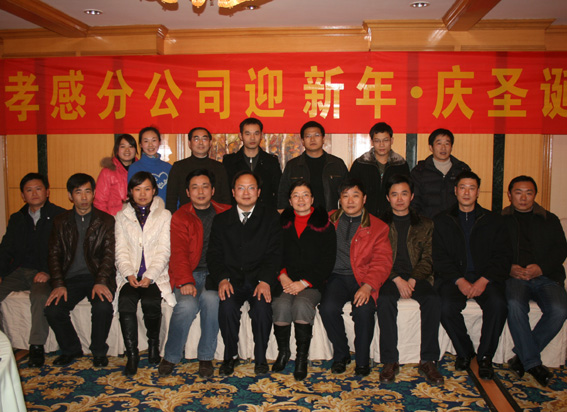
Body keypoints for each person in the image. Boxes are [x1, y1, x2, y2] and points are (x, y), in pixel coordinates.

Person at [433, 171, 510, 379]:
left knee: (498, 304)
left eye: (472, 188)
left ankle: (485, 357)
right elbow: (438, 257)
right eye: (462, 188)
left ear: (478, 192)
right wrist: (459, 281)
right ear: (455, 191)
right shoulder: (442, 220)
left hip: (486, 278)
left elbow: (503, 256)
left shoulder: (494, 221)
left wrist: (484, 280)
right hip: (454, 278)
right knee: (445, 306)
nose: (466, 193)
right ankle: (465, 351)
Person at [207, 170, 283, 376]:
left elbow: (276, 253)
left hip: (259, 279)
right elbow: (213, 255)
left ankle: (260, 357)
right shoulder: (221, 220)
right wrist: (222, 279)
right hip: (232, 279)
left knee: (262, 308)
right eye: (241, 188)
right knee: (227, 307)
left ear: (258, 192)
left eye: (251, 188)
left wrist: (266, 280)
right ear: (233, 192)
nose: (246, 193)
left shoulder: (271, 218)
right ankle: (230, 355)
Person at [159, 169, 231, 378]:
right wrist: (185, 281)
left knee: (211, 300)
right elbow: (178, 253)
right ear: (187, 192)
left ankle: (206, 357)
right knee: (186, 306)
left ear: (213, 190)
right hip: (189, 273)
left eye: (205, 186)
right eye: (195, 187)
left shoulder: (226, 212)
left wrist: (226, 276)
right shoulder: (180, 216)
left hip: (215, 274)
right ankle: (171, 356)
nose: (200, 192)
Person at [319, 178, 392, 376]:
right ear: (340, 200)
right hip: (336, 277)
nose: (350, 201)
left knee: (364, 310)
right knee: (327, 308)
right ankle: (341, 354)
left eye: (355, 196)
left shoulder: (378, 227)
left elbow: (382, 262)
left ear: (364, 199)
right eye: (345, 196)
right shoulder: (328, 220)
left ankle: (362, 360)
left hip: (362, 278)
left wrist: (368, 285)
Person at [376, 174, 443, 385]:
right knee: (384, 300)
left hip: (418, 276)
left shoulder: (426, 224)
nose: (399, 199)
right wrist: (396, 279)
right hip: (389, 276)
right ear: (387, 197)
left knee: (433, 300)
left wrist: (413, 279)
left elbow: (429, 258)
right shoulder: (378, 224)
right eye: (394, 194)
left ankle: (428, 360)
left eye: (404, 194)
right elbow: (376, 257)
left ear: (412, 196)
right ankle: (390, 360)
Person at [44, 173, 116, 367]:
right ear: (70, 195)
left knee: (103, 307)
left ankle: (98, 351)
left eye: (87, 192)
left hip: (97, 276)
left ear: (94, 194)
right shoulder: (60, 221)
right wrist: (58, 284)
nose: (84, 197)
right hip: (70, 279)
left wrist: (101, 281)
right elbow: (54, 254)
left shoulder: (106, 220)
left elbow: (109, 255)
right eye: (78, 192)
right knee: (53, 310)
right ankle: (71, 349)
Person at [502, 175, 567, 387]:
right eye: (518, 192)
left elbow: (561, 250)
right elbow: (491, 251)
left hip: (546, 276)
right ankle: (532, 363)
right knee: (514, 304)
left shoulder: (549, 219)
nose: (523, 198)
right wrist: (509, 268)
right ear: (509, 195)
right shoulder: (499, 220)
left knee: (560, 309)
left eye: (528, 193)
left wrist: (541, 268)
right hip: (515, 277)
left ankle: (523, 359)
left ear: (535, 195)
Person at [272, 179, 336, 380]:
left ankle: (301, 358)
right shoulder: (281, 224)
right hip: (285, 280)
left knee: (301, 304)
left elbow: (328, 261)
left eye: (305, 195)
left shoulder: (325, 225)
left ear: (312, 199)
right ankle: (283, 353)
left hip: (312, 282)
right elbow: (273, 253)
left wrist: (304, 282)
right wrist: (282, 275)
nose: (301, 199)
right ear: (290, 201)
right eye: (296, 196)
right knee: (281, 304)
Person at [0, 173, 65, 367]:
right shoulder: (17, 218)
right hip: (20, 270)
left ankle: (36, 346)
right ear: (23, 195)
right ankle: (2, 342)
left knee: (39, 296)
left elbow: (65, 251)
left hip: (46, 271)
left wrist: (48, 272)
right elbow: (6, 249)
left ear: (47, 192)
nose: (34, 193)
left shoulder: (59, 216)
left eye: (38, 189)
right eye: (29, 190)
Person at [115, 171, 175, 376]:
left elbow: (164, 251)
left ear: (154, 191)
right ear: (130, 192)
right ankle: (132, 354)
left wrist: (149, 275)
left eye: (147, 189)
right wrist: (128, 273)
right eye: (137, 189)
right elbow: (120, 250)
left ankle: (153, 345)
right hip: (129, 276)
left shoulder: (164, 215)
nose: (142, 194)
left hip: (155, 276)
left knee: (151, 302)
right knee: (125, 301)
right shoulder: (121, 216)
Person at [278, 121, 347, 212]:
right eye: (308, 136)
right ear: (302, 141)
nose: (312, 139)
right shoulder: (292, 165)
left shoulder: (337, 164)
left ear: (323, 139)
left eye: (317, 135)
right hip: (301, 216)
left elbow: (347, 191)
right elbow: (283, 194)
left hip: (331, 216)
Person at [349, 122, 410, 217]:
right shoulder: (360, 164)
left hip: (392, 217)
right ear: (372, 142)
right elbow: (351, 191)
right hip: (365, 217)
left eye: (386, 140)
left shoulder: (400, 164)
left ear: (392, 140)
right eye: (377, 141)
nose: (382, 145)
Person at [166, 127, 230, 213]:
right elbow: (171, 199)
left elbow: (226, 199)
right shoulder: (178, 167)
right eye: (196, 139)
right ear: (189, 143)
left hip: (215, 217)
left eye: (204, 139)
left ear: (210, 143)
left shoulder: (219, 167)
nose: (200, 143)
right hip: (186, 217)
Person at [223, 118, 282, 211]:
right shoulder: (229, 162)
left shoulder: (271, 161)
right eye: (247, 134)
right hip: (237, 213)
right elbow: (224, 192)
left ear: (261, 135)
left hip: (266, 213)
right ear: (240, 136)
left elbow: (279, 190)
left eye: (256, 133)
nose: (252, 138)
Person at [410, 128, 470, 219]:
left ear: (451, 147)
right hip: (429, 223)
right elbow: (414, 203)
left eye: (447, 143)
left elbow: (469, 199)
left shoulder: (462, 170)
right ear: (431, 147)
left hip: (455, 223)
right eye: (439, 143)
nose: (443, 148)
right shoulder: (419, 171)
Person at [94, 134, 138, 215]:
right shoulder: (107, 172)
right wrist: (109, 220)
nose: (127, 150)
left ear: (136, 149)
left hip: (137, 218)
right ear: (117, 149)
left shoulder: (141, 169)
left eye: (131, 146)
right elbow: (99, 203)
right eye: (123, 146)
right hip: (114, 218)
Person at [128, 126, 172, 203]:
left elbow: (174, 194)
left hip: (165, 210)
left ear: (159, 142)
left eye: (154, 140)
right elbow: (132, 194)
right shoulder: (134, 168)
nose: (150, 145)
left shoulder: (168, 167)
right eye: (146, 141)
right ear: (140, 144)